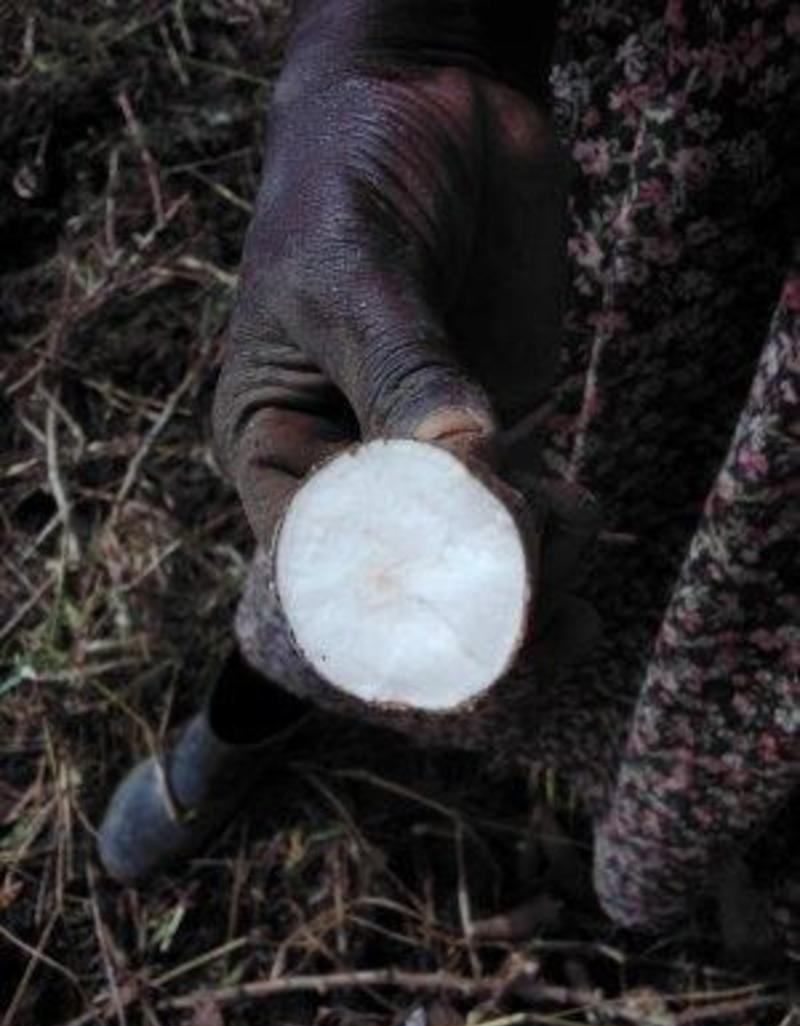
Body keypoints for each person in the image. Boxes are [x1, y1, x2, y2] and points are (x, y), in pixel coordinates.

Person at [98, 0, 799, 936]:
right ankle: (247, 719)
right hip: (626, 141)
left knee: (707, 609)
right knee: (366, 491)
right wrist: (395, 45)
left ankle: (649, 833)